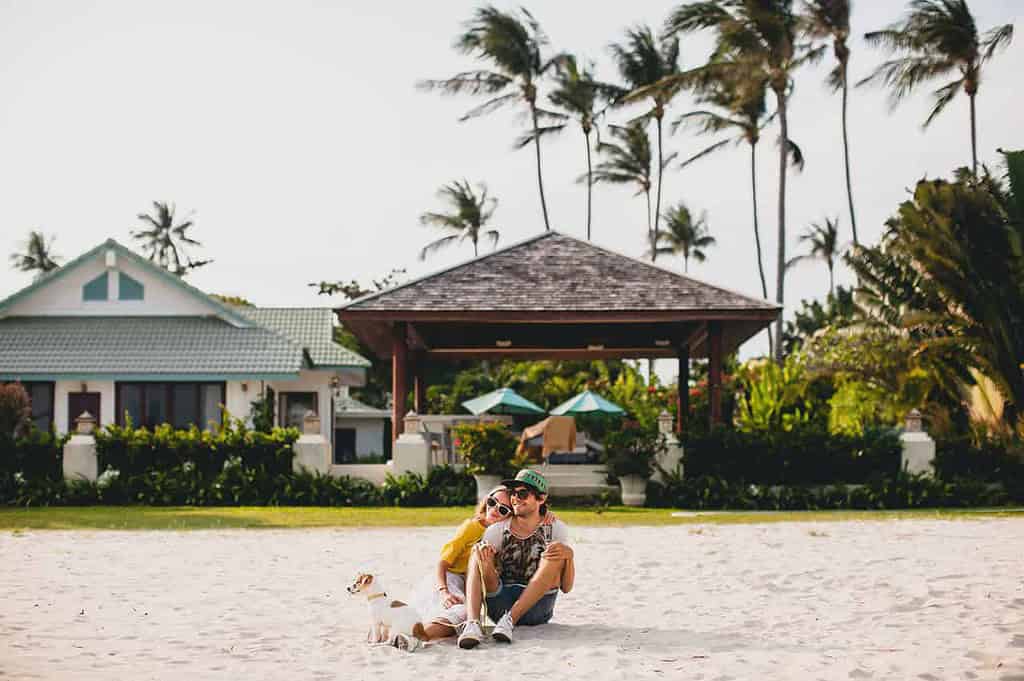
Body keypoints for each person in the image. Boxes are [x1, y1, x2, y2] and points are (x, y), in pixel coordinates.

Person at [458, 469, 575, 649]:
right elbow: (483, 575)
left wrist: (569, 556)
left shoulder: (555, 529)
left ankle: (511, 619)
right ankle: (472, 624)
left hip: (538, 608)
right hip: (500, 606)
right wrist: (486, 558)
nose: (515, 498)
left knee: (555, 553)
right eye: (513, 493)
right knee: (478, 551)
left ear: (541, 499)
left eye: (523, 493)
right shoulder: (498, 530)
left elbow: (566, 587)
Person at [415, 487, 515, 641]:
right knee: (463, 614)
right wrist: (444, 591)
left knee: (462, 617)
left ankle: (414, 635)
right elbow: (442, 562)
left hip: (466, 588)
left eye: (502, 509)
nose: (494, 509)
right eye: (492, 502)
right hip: (448, 580)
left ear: (510, 516)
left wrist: (546, 515)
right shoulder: (472, 527)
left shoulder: (505, 537)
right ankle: (415, 637)